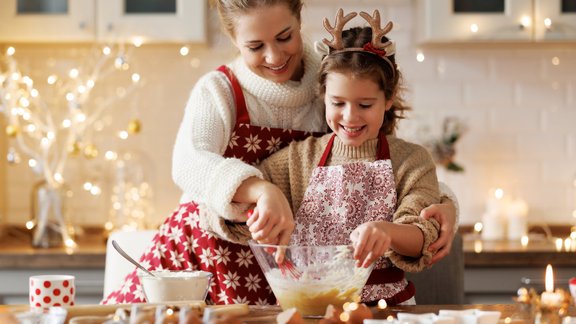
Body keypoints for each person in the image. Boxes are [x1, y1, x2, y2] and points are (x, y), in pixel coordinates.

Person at [102, 0, 458, 305]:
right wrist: (261, 190)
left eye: (284, 37)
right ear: (234, 40)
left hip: (289, 274)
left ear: (299, 19)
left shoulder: (338, 76)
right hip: (211, 255)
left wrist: (443, 207)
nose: (274, 56)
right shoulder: (220, 90)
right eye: (255, 46)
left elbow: (387, 161)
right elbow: (188, 163)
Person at [204, 8, 440, 305]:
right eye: (338, 102)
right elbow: (216, 209)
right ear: (323, 96)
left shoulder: (411, 161)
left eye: (365, 104)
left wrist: (388, 233)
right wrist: (254, 213)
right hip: (308, 308)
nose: (350, 116)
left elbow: (423, 234)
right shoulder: (296, 160)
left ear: (388, 99)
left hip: (385, 310)